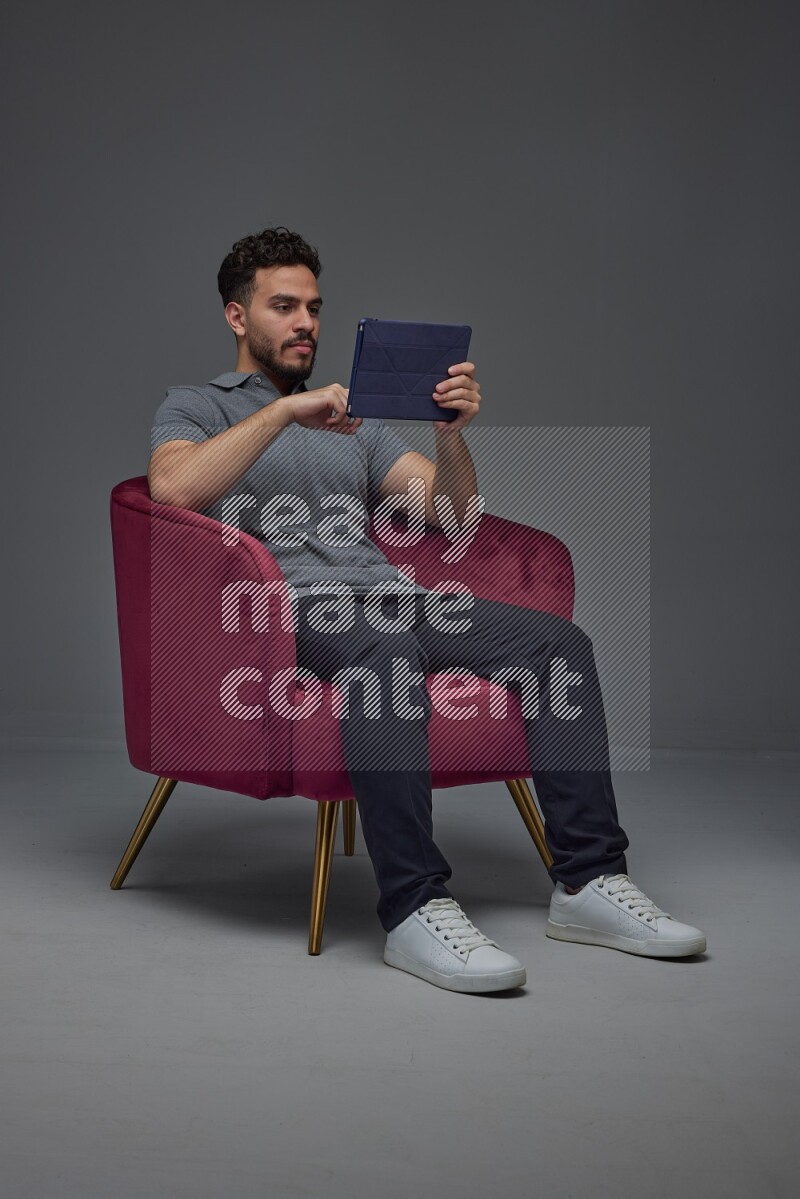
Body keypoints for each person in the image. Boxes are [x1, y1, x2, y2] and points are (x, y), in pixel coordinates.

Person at [148, 225, 707, 994]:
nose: (306, 322)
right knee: (383, 652)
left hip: (394, 601)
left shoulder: (355, 422)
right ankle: (414, 906)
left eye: (314, 307)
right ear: (237, 316)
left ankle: (589, 882)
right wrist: (282, 413)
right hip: (286, 611)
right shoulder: (197, 405)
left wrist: (450, 436)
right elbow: (173, 488)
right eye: (284, 306)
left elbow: (454, 515)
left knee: (558, 646)